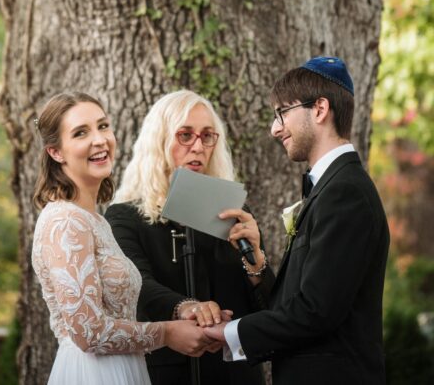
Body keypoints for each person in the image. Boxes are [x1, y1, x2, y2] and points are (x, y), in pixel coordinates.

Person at [202, 56, 390, 385]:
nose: (275, 129)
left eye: (282, 113)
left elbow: (315, 312)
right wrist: (258, 268)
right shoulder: (331, 188)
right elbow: (303, 301)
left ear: (319, 109)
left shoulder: (346, 193)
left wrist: (229, 333)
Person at [31, 91, 214, 385]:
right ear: (56, 152)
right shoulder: (65, 221)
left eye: (103, 126)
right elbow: (89, 332)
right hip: (93, 373)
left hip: (126, 368)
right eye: (81, 133)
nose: (100, 140)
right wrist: (167, 333)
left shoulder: (96, 221)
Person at [105, 90, 274, 385]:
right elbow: (137, 285)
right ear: (159, 141)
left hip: (234, 376)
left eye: (207, 136)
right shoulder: (124, 217)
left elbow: (271, 309)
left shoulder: (232, 213)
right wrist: (188, 307)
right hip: (166, 373)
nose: (198, 146)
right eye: (185, 135)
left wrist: (256, 259)